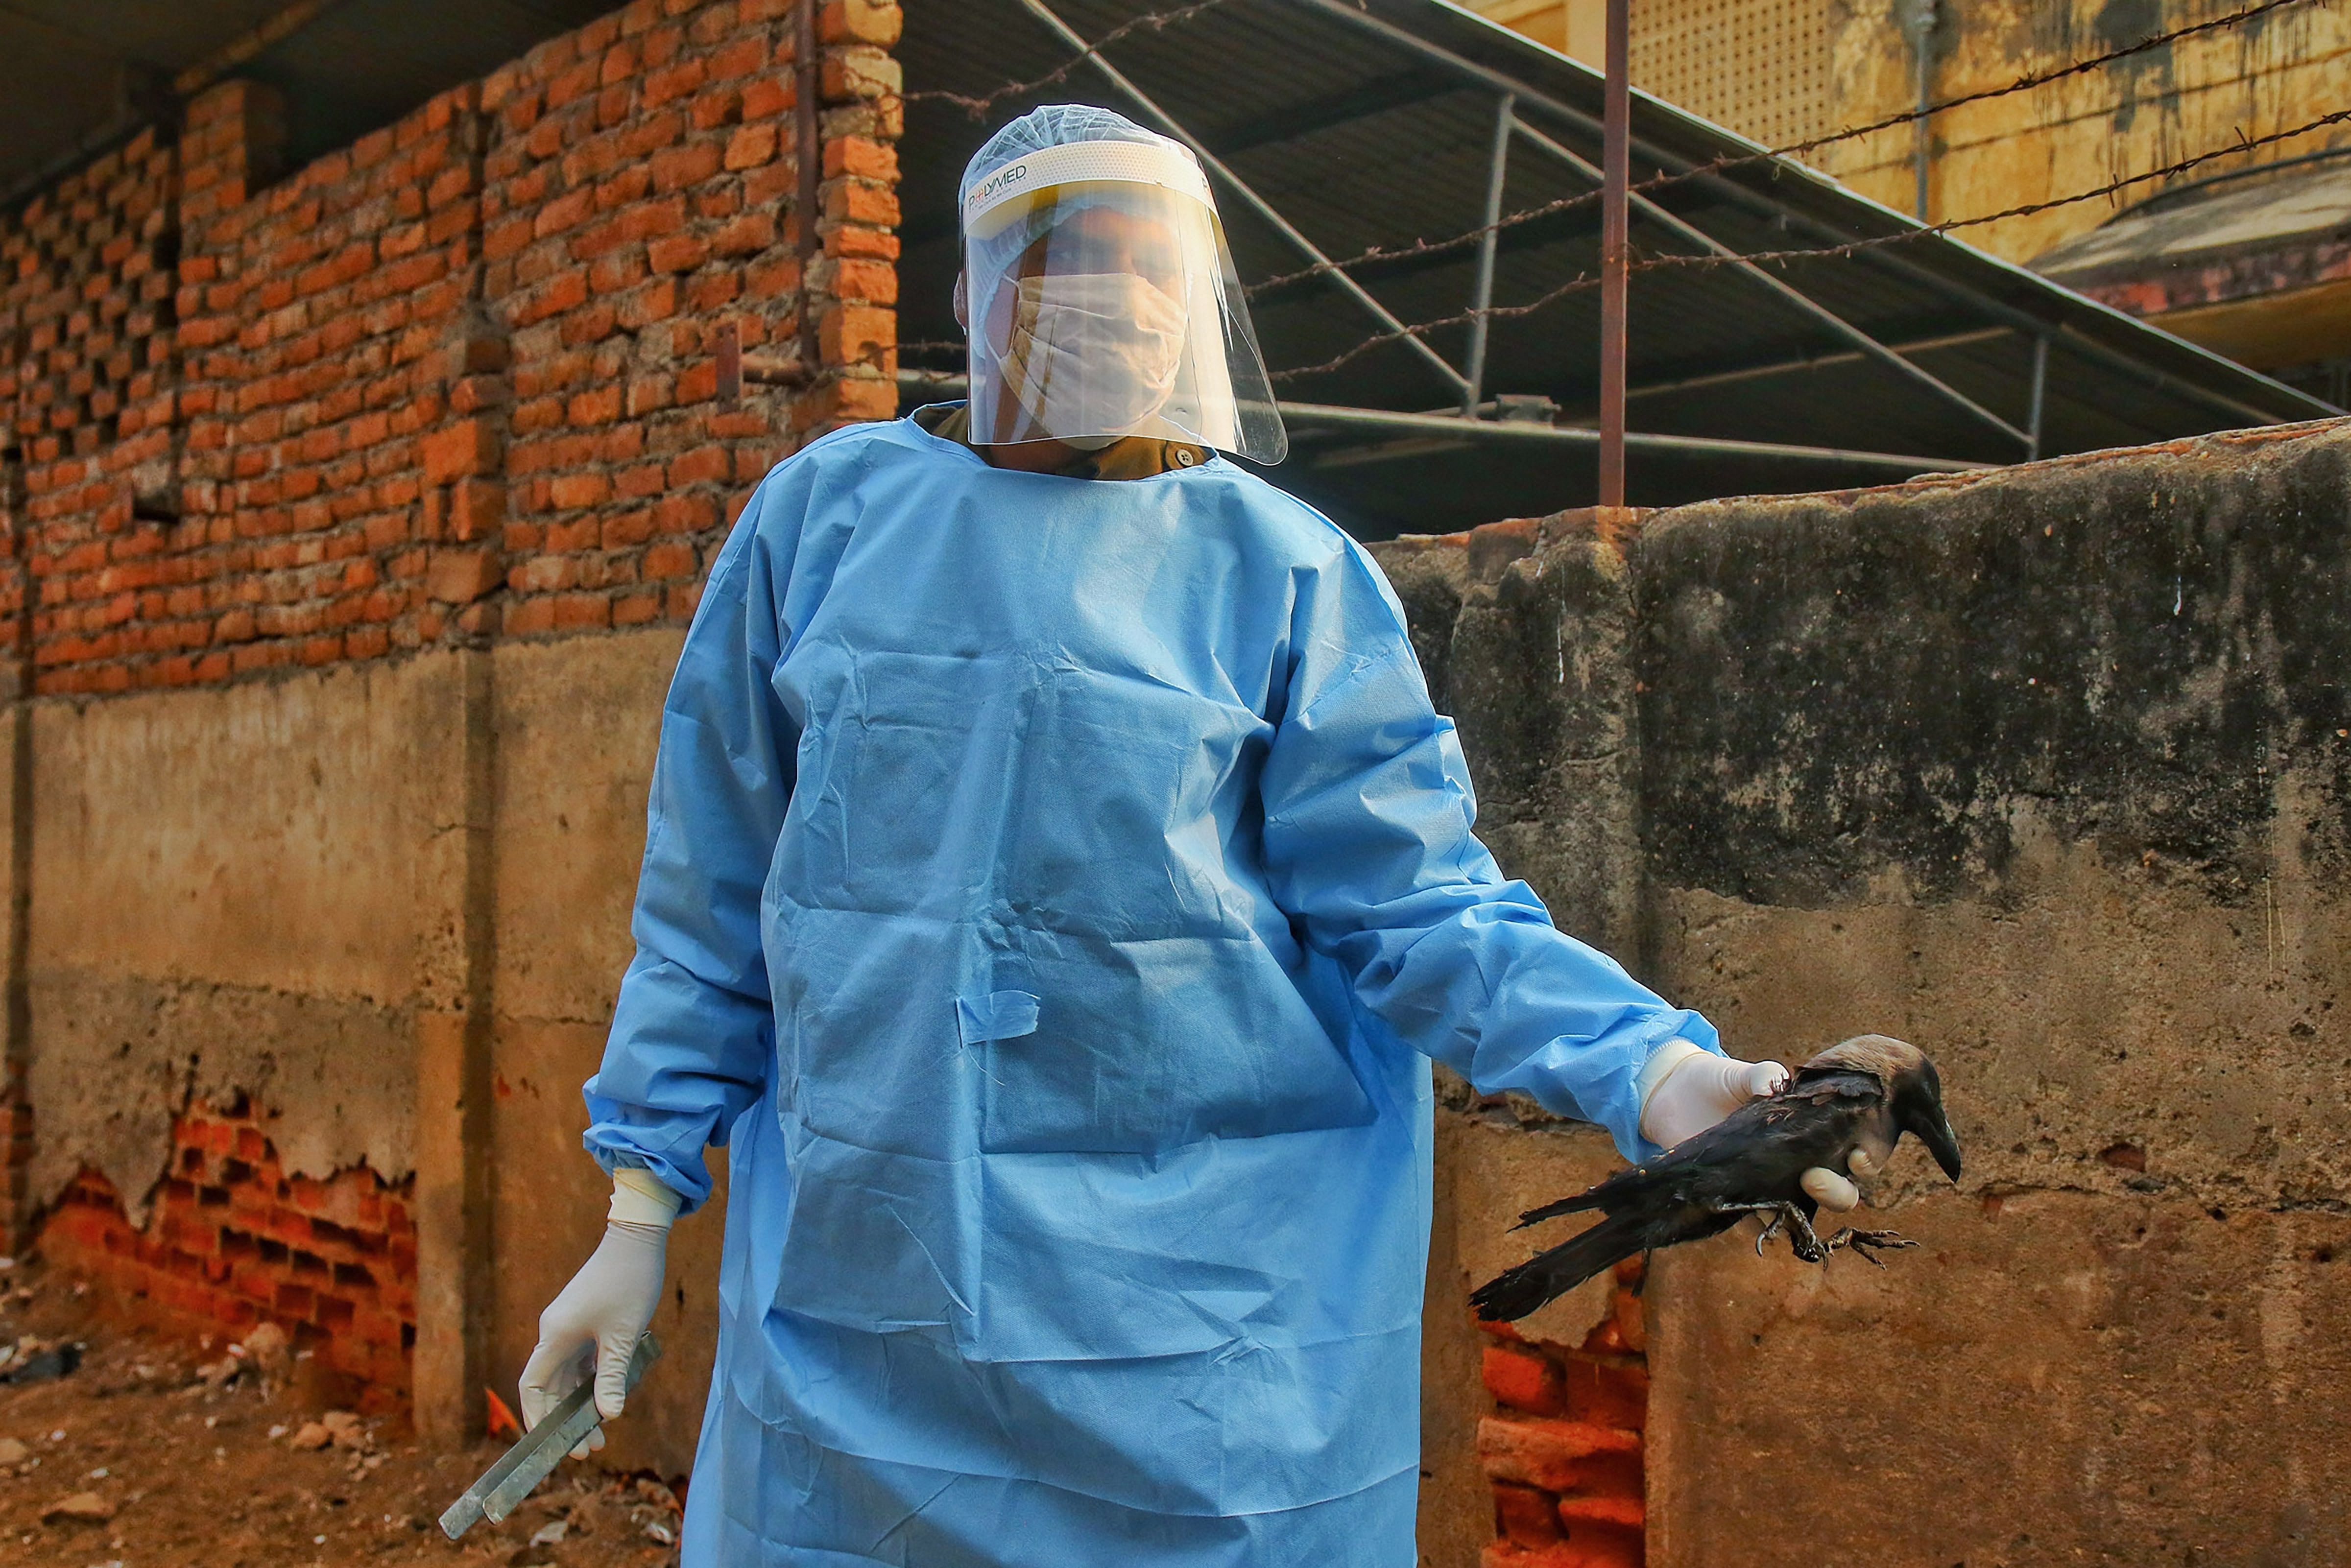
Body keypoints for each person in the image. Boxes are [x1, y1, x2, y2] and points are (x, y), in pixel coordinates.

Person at [519, 105, 1858, 1566]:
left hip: (1204, 1353)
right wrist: (639, 1204)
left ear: (1201, 303)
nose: (1112, 298)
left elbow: (1421, 913)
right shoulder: (821, 528)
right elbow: (712, 895)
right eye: (1066, 260)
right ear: (972, 300)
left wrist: (1657, 1071)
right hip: (867, 1336)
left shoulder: (1286, 574)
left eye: (1149, 266)